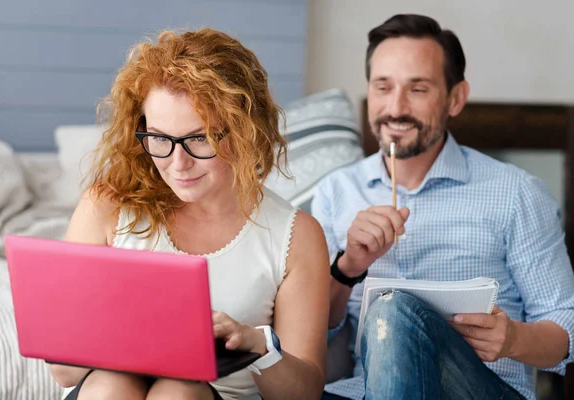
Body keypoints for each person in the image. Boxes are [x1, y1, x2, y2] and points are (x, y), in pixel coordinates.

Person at [49, 28, 330, 400]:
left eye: (199, 138)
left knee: (178, 391)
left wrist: (257, 347)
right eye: (160, 138)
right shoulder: (106, 206)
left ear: (246, 131)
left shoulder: (296, 235)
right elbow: (63, 372)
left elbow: (304, 392)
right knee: (109, 385)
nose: (177, 164)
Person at [312, 14, 574, 400]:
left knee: (391, 310)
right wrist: (347, 266)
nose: (395, 108)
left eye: (417, 89)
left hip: (482, 389)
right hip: (367, 391)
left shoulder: (516, 193)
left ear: (455, 98)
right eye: (383, 87)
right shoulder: (337, 191)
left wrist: (514, 338)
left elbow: (566, 329)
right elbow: (311, 331)